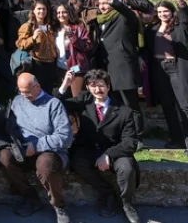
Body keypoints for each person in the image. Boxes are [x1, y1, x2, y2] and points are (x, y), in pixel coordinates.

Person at [57, 69, 140, 223]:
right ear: (87, 87)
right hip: (87, 149)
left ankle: (127, 203)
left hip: (115, 151)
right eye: (93, 86)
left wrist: (108, 155)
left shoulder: (124, 111)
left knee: (127, 168)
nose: (98, 90)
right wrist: (64, 86)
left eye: (101, 85)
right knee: (78, 163)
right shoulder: (84, 100)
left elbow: (130, 143)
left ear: (108, 86)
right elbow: (56, 105)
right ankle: (108, 194)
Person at [0, 73, 73, 223]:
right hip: (22, 148)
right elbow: (11, 126)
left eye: (27, 91)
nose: (24, 96)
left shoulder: (53, 104)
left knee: (45, 164)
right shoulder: (17, 101)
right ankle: (30, 197)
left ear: (37, 86)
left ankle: (58, 205)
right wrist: (16, 143)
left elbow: (65, 136)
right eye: (21, 91)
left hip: (49, 150)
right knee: (4, 157)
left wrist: (38, 145)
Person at [144, 0, 188, 157]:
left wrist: (181, 2)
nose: (162, 14)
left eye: (165, 11)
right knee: (168, 107)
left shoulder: (180, 27)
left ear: (171, 12)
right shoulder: (151, 29)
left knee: (185, 107)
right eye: (159, 12)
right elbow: (147, 49)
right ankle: (176, 139)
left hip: (177, 68)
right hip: (160, 69)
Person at [89, 0, 144, 138]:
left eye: (105, 3)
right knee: (115, 105)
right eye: (100, 4)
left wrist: (113, 0)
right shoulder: (99, 21)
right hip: (107, 70)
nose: (103, 6)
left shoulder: (122, 17)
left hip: (123, 69)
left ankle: (137, 136)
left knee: (130, 104)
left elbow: (128, 13)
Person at [15, 1, 58, 94]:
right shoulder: (28, 26)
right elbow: (20, 44)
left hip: (51, 63)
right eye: (39, 9)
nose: (42, 11)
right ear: (33, 11)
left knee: (49, 91)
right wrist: (33, 38)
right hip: (37, 63)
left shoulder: (49, 26)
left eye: (44, 9)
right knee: (37, 92)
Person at [53, 3, 92, 97]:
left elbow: (87, 45)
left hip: (76, 69)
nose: (61, 15)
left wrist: (72, 36)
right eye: (58, 12)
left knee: (77, 98)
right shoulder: (55, 30)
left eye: (64, 12)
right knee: (64, 98)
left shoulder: (78, 28)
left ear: (69, 13)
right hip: (60, 69)